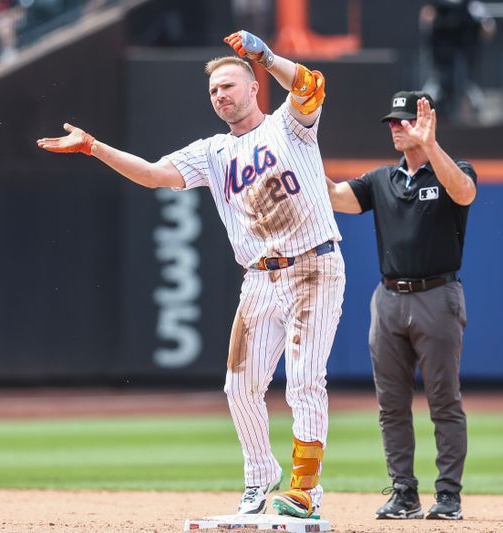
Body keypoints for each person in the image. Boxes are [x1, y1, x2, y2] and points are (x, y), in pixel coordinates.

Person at [37, 30, 345, 519]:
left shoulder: (289, 125)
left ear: (252, 88)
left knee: (305, 380)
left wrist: (263, 55)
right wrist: (95, 147)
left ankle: (305, 490)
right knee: (239, 386)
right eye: (213, 91)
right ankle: (259, 477)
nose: (219, 95)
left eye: (227, 85)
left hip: (312, 264)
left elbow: (310, 86)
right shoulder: (213, 151)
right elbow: (152, 174)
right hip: (259, 277)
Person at [327, 91, 476, 520]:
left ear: (425, 123)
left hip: (437, 295)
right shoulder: (381, 179)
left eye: (403, 120)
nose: (395, 127)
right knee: (391, 404)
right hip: (389, 298)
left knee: (443, 401)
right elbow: (338, 196)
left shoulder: (454, 170)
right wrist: (298, 159)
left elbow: (463, 193)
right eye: (392, 122)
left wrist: (430, 145)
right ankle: (404, 493)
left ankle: (448, 495)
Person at [419, 0, 495, 123]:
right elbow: (425, 19)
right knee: (429, 99)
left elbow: (488, 29)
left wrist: (479, 26)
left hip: (465, 69)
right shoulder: (437, 6)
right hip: (441, 69)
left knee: (474, 103)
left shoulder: (472, 6)